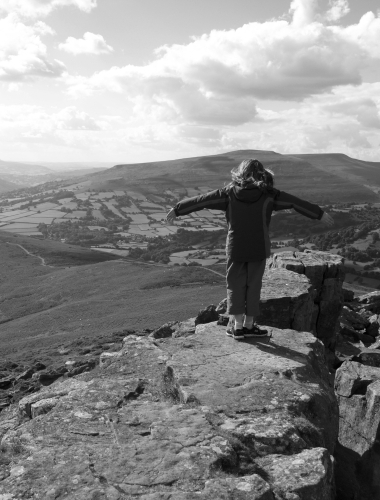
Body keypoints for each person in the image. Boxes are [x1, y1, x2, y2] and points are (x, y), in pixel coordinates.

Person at [166, 158, 334, 340]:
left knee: (235, 286)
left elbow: (201, 200)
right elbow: (295, 203)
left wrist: (177, 210)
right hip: (259, 248)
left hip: (235, 248)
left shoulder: (228, 193)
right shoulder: (269, 195)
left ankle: (237, 328)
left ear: (240, 173)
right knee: (253, 286)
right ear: (262, 174)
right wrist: (319, 214)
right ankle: (249, 325)